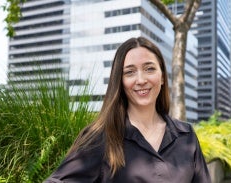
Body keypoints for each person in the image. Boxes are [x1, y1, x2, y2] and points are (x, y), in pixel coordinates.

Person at [44, 37, 211, 183]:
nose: (141, 80)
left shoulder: (186, 135)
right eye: (130, 72)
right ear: (120, 82)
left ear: (162, 77)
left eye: (149, 69)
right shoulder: (100, 136)